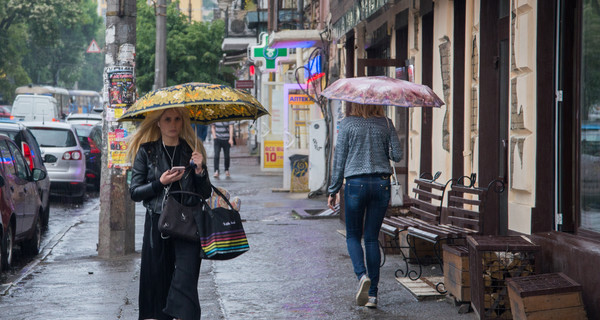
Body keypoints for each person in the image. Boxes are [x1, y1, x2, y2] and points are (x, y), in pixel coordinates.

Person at [128, 107, 212, 320]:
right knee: (156, 280)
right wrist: (160, 182)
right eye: (167, 119)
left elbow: (204, 193)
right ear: (158, 123)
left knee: (186, 280)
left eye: (177, 119)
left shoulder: (191, 151)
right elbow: (135, 192)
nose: (173, 124)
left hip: (187, 225)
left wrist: (200, 171)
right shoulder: (147, 152)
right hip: (158, 223)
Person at [327, 104, 402, 309]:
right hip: (381, 183)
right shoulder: (386, 123)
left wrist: (333, 190)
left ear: (354, 103)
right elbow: (397, 155)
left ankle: (361, 276)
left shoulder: (347, 124)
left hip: (355, 185)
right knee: (371, 238)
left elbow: (339, 159)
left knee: (353, 235)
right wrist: (383, 143)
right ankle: (373, 295)